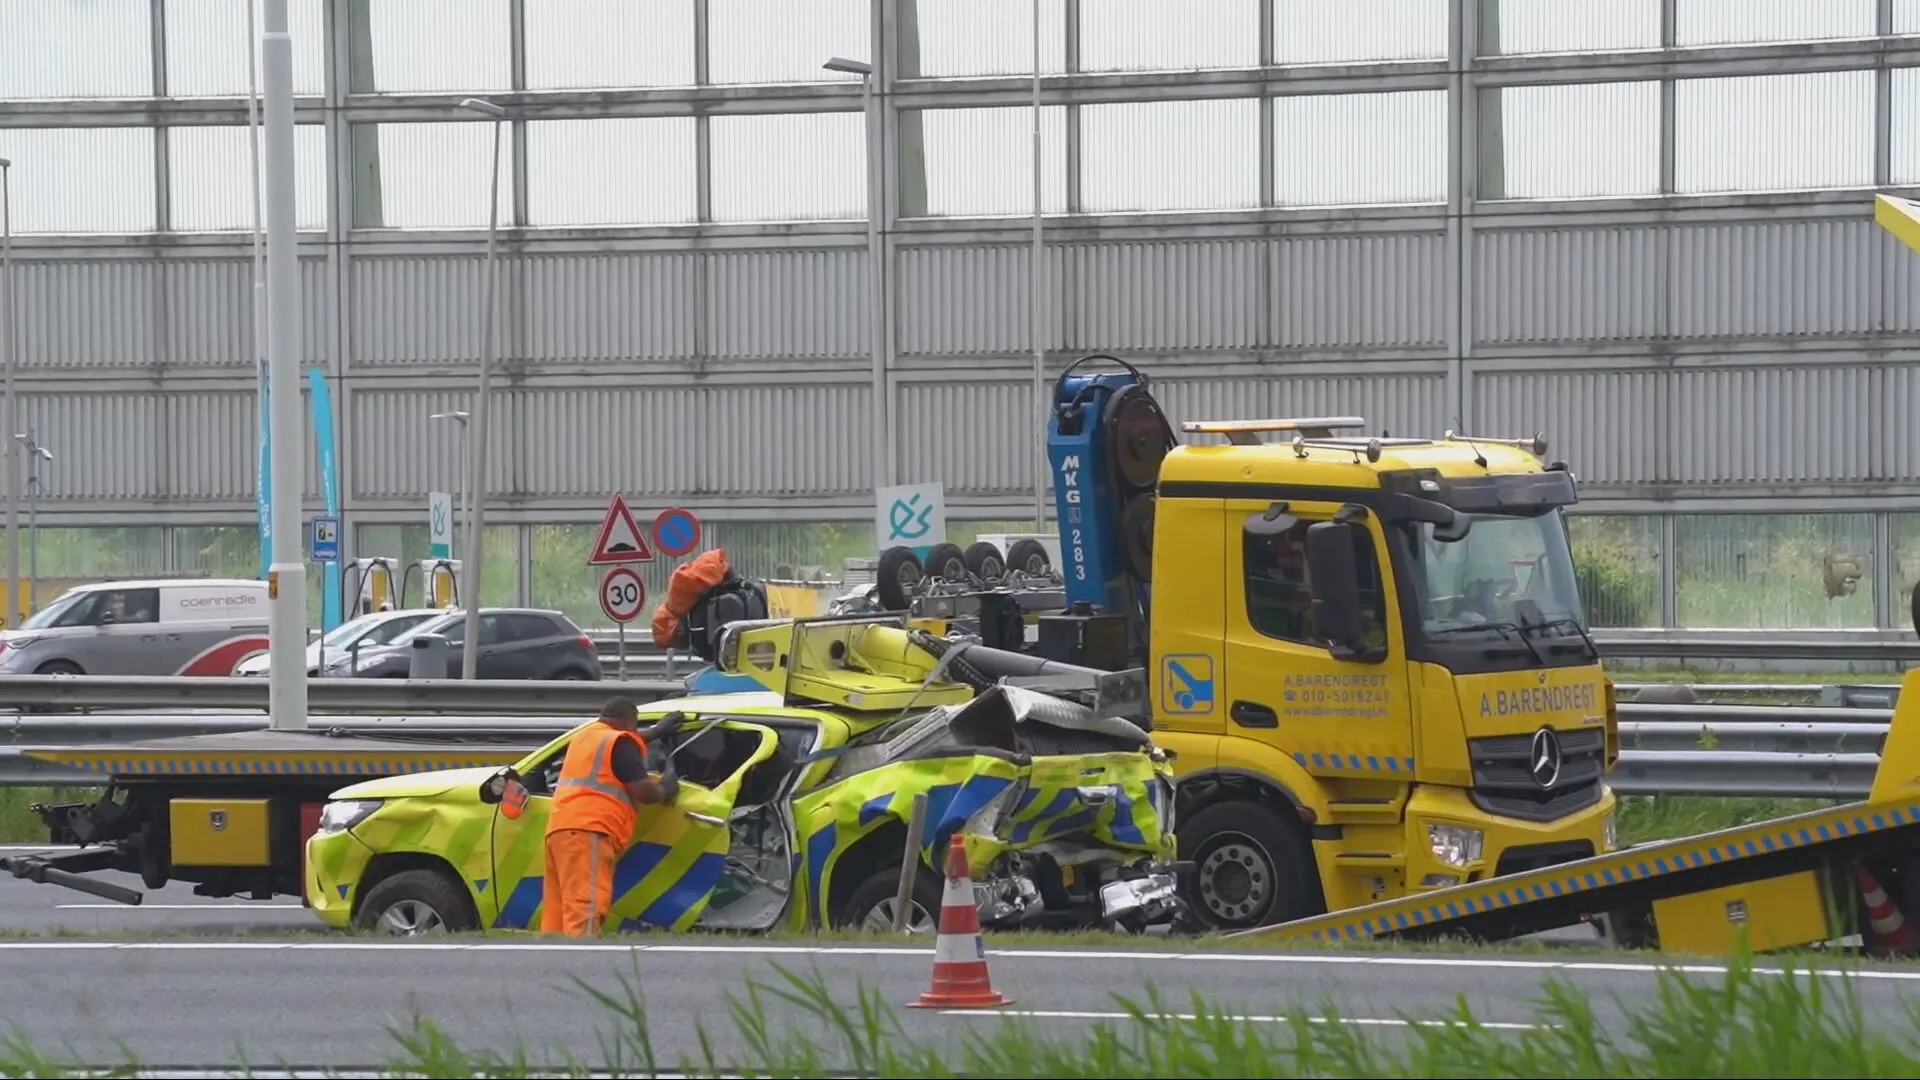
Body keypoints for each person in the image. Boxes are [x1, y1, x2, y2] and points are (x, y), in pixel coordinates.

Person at [541, 696, 686, 936]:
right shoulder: (620, 741)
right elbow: (643, 791)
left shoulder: (585, 736)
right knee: (585, 905)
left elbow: (623, 747)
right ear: (630, 722)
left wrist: (657, 731)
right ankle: (582, 962)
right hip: (591, 829)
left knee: (558, 909)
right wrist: (666, 788)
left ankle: (554, 961)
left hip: (561, 828)